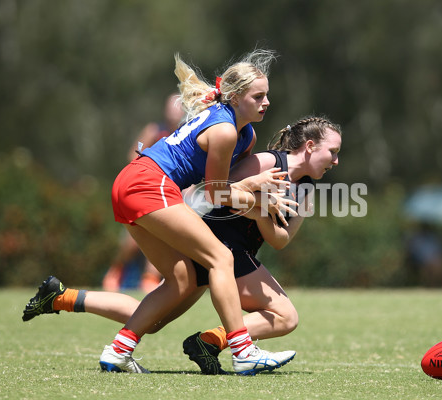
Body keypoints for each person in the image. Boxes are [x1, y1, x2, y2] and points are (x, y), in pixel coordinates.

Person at [22, 116, 343, 375]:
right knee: (286, 316)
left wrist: (262, 212)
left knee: (152, 317)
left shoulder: (306, 191)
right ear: (311, 146)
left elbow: (280, 240)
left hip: (236, 250)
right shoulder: (266, 162)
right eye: (333, 152)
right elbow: (215, 192)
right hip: (219, 242)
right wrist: (259, 199)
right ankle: (212, 342)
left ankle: (61, 297)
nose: (337, 161)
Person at [103, 93, 185, 293]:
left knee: (165, 236)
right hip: (147, 189)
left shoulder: (185, 134)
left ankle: (150, 277)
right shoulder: (154, 130)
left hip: (173, 194)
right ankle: (117, 269)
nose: (173, 112)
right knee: (132, 241)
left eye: (177, 107)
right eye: (170, 107)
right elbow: (134, 152)